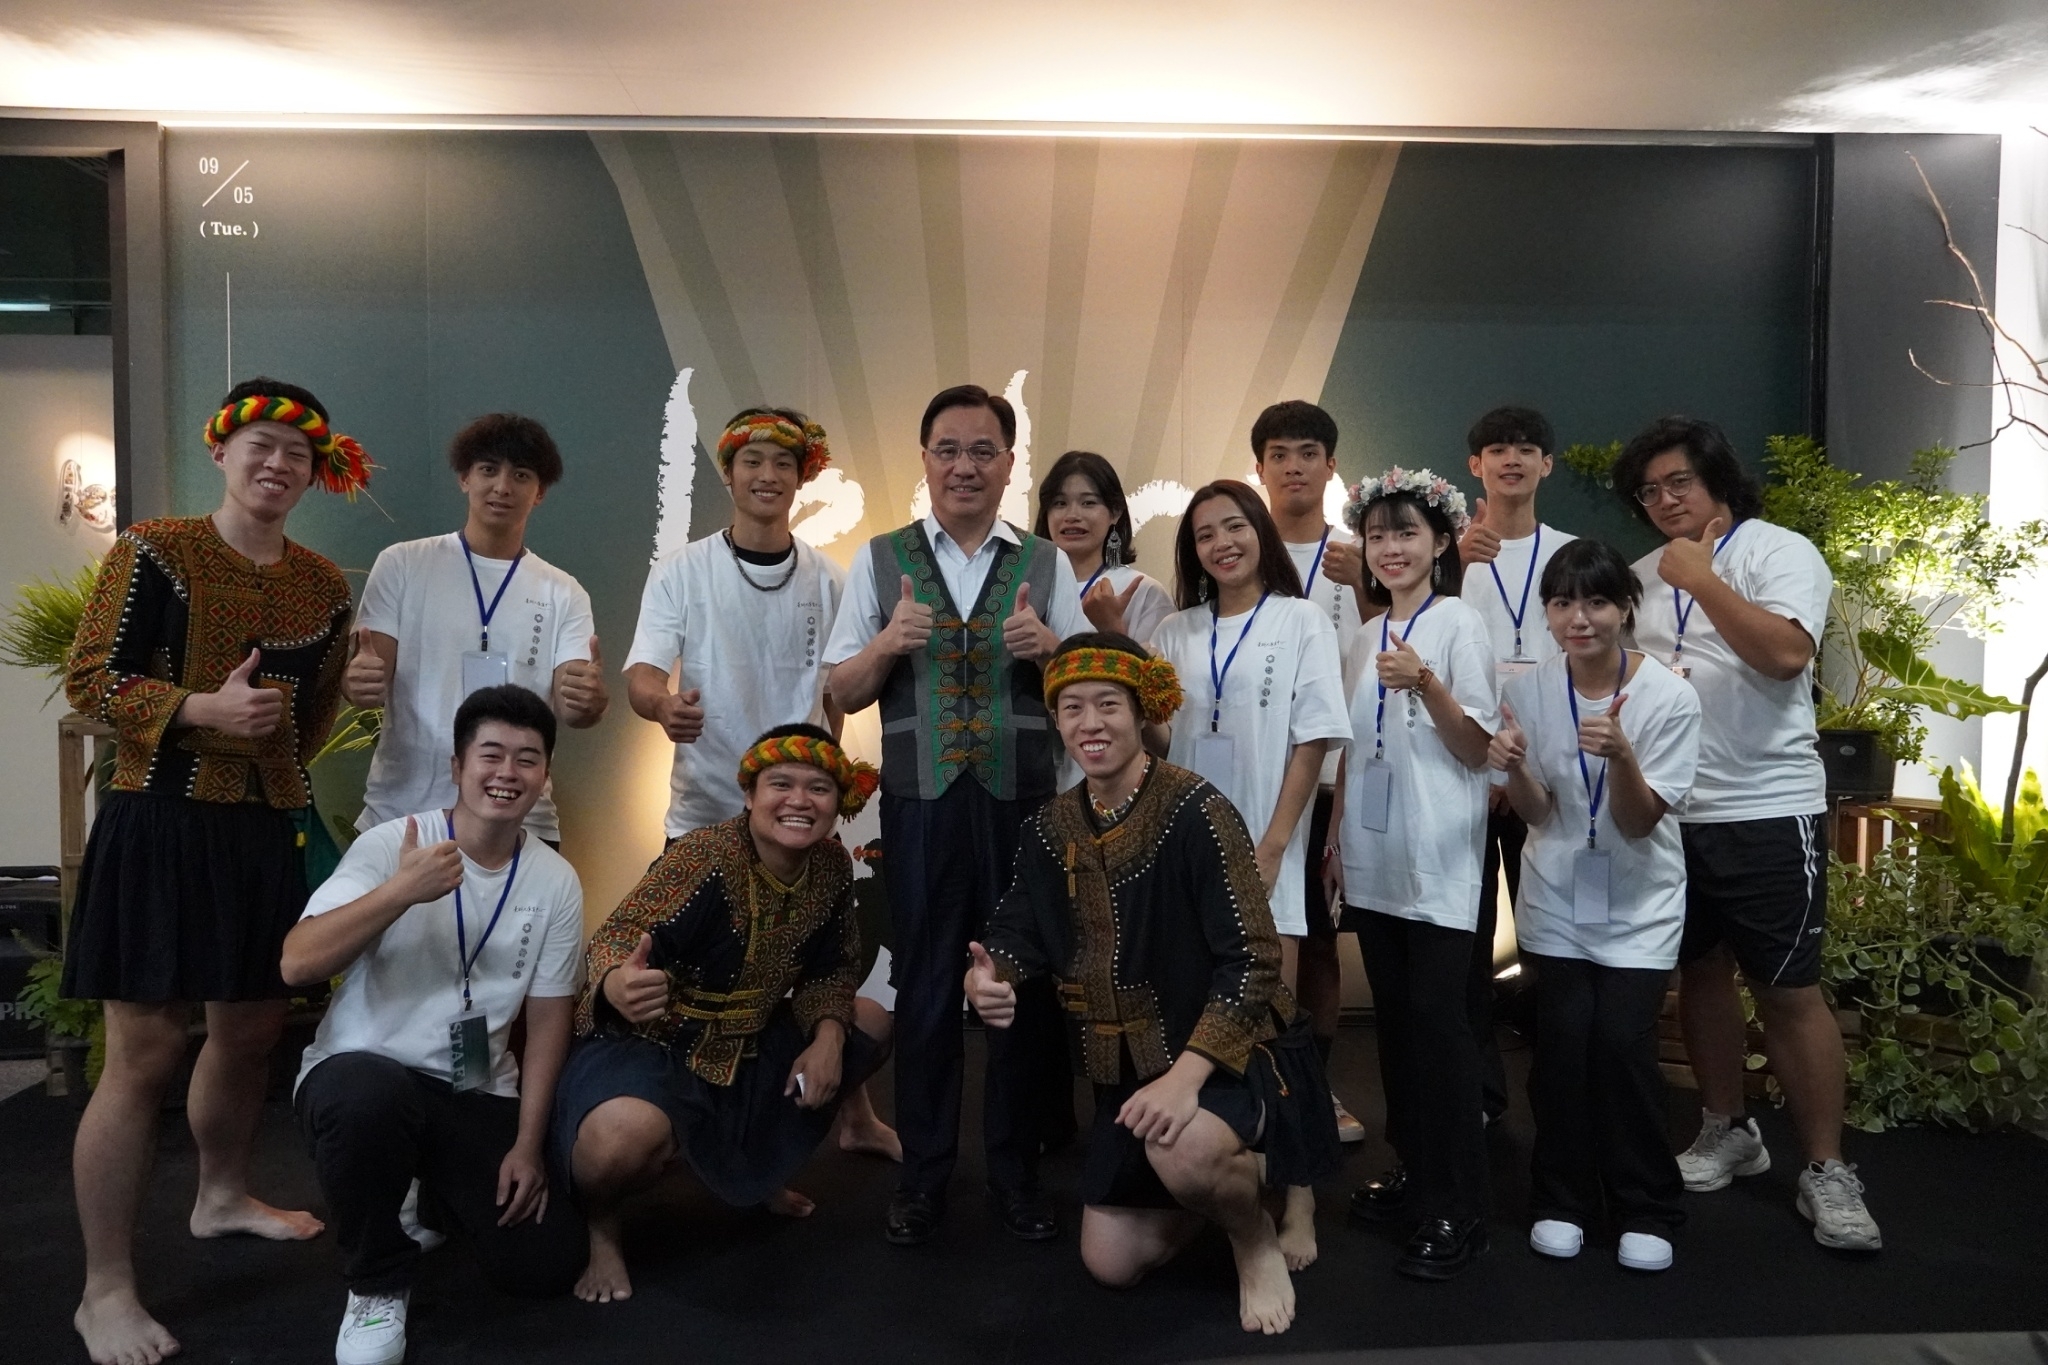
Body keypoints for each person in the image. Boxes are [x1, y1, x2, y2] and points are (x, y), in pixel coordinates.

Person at [61, 378, 360, 1365]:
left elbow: (311, 716)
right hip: (157, 821)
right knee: (141, 1056)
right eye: (261, 446)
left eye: (297, 455)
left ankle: (221, 1194)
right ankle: (103, 1288)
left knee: (250, 1030)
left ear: (315, 473)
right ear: (223, 452)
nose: (278, 465)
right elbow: (92, 678)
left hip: (259, 831)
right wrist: (199, 711)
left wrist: (283, 728)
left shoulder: (324, 586)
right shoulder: (155, 548)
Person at [964, 634, 1340, 1335]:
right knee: (1111, 1263)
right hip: (1129, 1073)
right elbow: (1016, 927)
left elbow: (1256, 958)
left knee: (1187, 1145)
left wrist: (1188, 1076)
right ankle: (1230, 1179)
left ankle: (1253, 1231)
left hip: (1226, 1055)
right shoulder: (1050, 825)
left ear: (1143, 713)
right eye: (1071, 707)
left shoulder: (1197, 807)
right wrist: (989, 976)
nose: (1090, 722)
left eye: (1109, 704)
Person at [823, 383, 1086, 1245]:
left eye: (983, 450)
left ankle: (1016, 1172)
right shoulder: (880, 558)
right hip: (921, 805)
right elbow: (840, 689)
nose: (965, 465)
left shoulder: (1046, 564)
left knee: (1018, 988)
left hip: (1022, 804)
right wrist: (886, 643)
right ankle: (926, 1175)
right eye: (949, 448)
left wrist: (1055, 651)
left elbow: (1091, 690)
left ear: (1010, 463)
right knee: (929, 986)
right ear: (925, 459)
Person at [1616, 416, 1880, 1251]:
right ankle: (1727, 1126)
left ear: (1716, 481)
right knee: (1698, 973)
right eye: (1650, 491)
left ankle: (1828, 1169)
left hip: (1766, 809)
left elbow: (1785, 656)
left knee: (1788, 991)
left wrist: (1702, 579)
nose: (1663, 501)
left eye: (1678, 483)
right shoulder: (1638, 577)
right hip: (1671, 812)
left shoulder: (1777, 551)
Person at [620, 407, 897, 1162]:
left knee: (818, 965)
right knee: (697, 974)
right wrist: (662, 706)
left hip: (803, 810)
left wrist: (831, 773)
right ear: (729, 473)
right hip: (706, 807)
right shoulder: (683, 571)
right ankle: (685, 1123)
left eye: (783, 463)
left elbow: (840, 687)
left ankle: (853, 1115)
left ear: (802, 476)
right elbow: (644, 673)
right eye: (752, 462)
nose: (768, 476)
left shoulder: (830, 577)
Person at [283, 684, 588, 1365]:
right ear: (456, 766)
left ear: (544, 776)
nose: (507, 772)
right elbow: (297, 962)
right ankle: (376, 1285)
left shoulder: (555, 880)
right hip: (365, 1074)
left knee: (545, 1264)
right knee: (367, 1097)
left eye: (527, 758)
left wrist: (528, 1146)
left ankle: (429, 1192)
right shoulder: (394, 844)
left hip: (472, 1087)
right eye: (491, 754)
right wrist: (399, 892)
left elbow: (546, 1022)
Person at [554, 725, 895, 1304]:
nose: (798, 801)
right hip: (654, 1042)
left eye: (818, 788)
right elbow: (617, 936)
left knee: (870, 1019)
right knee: (616, 1143)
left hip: (748, 1040)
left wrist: (829, 1035)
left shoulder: (834, 866)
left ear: (840, 803)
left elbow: (832, 972)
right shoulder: (702, 855)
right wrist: (616, 983)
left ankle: (756, 1173)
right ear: (748, 795)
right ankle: (603, 1231)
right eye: (780, 784)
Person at [1145, 479, 1351, 1268]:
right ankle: (1222, 1182)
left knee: (1277, 1026)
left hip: (1267, 848)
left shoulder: (1301, 619)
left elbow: (1313, 738)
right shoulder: (1175, 629)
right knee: (1202, 1022)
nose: (1222, 542)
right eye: (1205, 534)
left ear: (1260, 532)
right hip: (1186, 855)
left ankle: (1299, 1203)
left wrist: (1273, 843)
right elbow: (1160, 742)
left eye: (1235, 526)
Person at [1487, 539, 1700, 1272]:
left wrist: (1624, 756)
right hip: (1557, 898)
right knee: (1563, 1047)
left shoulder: (1670, 695)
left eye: (1597, 602)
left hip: (1640, 903)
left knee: (1621, 1045)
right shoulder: (1534, 689)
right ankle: (1561, 1197)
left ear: (1625, 609)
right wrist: (1513, 770)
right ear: (1547, 613)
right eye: (1564, 602)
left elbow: (1641, 821)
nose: (1581, 618)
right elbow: (1542, 812)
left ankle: (1646, 1203)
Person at [1327, 468, 1498, 1280]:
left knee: (1440, 1029)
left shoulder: (1460, 623)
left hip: (1437, 858)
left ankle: (1458, 1203)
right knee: (1394, 1026)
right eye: (1379, 535)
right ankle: (1415, 1169)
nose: (1391, 548)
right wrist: (1332, 838)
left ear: (1440, 543)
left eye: (1407, 533)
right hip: (1372, 856)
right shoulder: (1363, 635)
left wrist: (1426, 682)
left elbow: (1481, 751)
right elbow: (1351, 754)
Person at [344, 412, 608, 847]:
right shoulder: (403, 564)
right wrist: (357, 680)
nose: (502, 487)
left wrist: (589, 701)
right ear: (464, 478)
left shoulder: (564, 592)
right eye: (488, 470)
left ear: (539, 492)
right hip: (405, 812)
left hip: (519, 822)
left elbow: (574, 710)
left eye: (521, 475)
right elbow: (366, 682)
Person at [1248, 400, 1374, 1145]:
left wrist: (1362, 583)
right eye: (1278, 454)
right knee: (1249, 938)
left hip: (1332, 776)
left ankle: (1315, 1087)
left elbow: (1380, 656)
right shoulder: (1237, 547)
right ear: (1258, 467)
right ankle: (1254, 1079)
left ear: (1331, 465)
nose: (1293, 466)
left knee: (1320, 943)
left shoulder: (1360, 553)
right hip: (1254, 780)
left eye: (1308, 452)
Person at [1457, 405, 1577, 1125]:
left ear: (1546, 465)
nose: (1511, 459)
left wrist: (1518, 771)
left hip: (1547, 777)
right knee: (1465, 944)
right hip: (1466, 773)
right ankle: (1477, 1092)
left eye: (1526, 449)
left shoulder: (1572, 553)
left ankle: (1558, 1091)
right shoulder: (1451, 556)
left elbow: (1584, 661)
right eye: (1496, 448)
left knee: (1551, 941)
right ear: (1475, 466)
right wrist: (1451, 565)